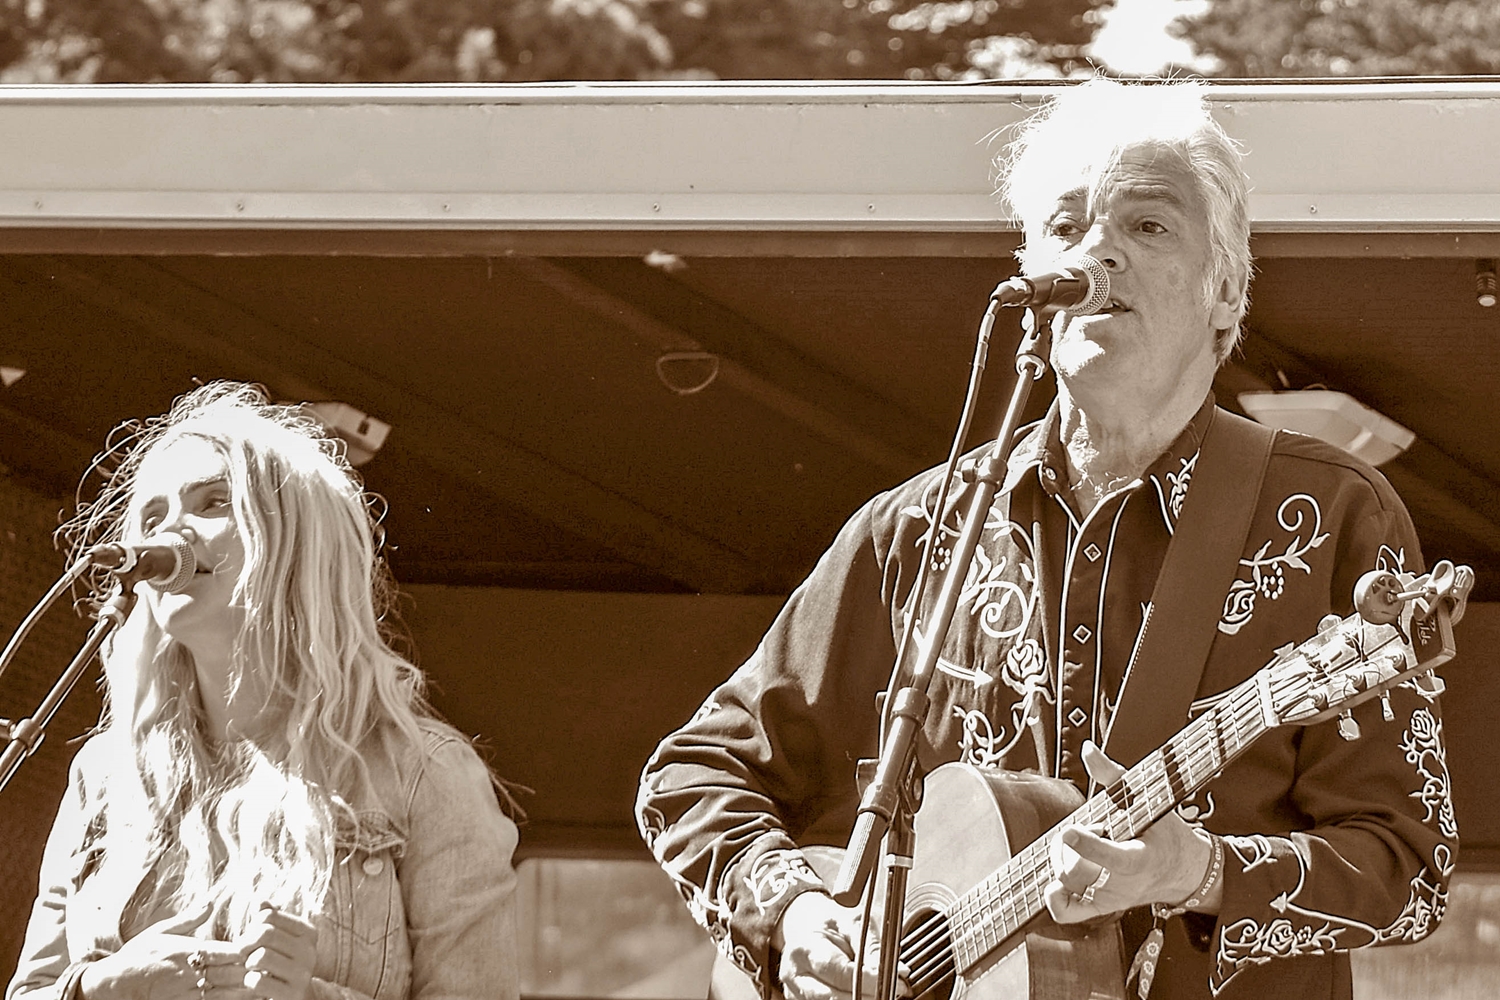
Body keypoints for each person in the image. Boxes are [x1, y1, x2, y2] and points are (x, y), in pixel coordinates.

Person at [636, 79, 1457, 1000]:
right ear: (1033, 286)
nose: (1098, 249)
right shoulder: (920, 530)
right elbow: (695, 775)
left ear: (1226, 292)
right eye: (1066, 227)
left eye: (1148, 225)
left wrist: (1197, 871)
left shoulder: (1328, 512)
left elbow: (1410, 871)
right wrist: (794, 913)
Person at [7, 382, 520, 1000]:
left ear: (298, 543)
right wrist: (101, 989)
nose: (169, 532)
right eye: (151, 516)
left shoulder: (424, 775)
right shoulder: (106, 773)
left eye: (213, 501)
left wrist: (309, 996)